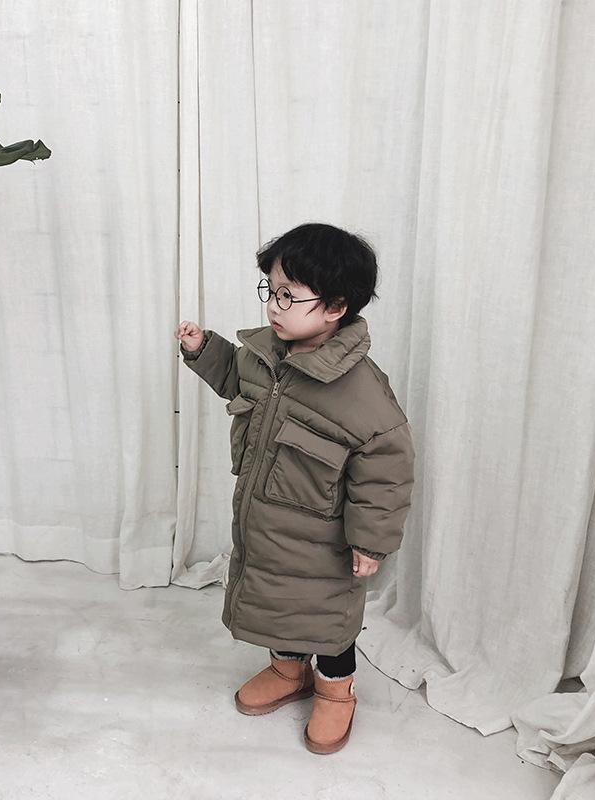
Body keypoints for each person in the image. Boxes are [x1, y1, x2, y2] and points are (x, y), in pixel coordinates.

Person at [174, 222, 415, 755]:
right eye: (271, 290)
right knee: (275, 602)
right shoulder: (266, 355)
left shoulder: (361, 391)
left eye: (289, 296)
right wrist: (204, 349)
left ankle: (335, 689)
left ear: (335, 307)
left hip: (325, 540)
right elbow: (236, 378)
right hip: (265, 521)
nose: (273, 306)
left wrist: (371, 542)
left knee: (327, 619)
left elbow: (386, 471)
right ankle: (288, 670)